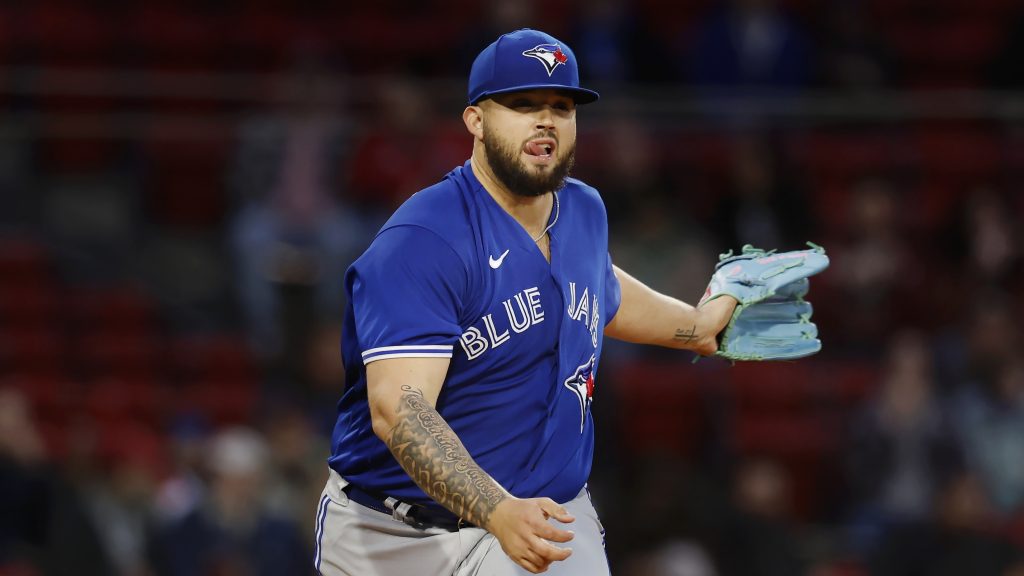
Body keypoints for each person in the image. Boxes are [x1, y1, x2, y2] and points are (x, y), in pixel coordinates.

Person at [315, 29, 739, 575]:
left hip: (543, 517)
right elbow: (400, 412)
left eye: (562, 107)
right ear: (475, 119)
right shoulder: (424, 241)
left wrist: (698, 326)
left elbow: (598, 288)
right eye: (523, 104)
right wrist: (494, 508)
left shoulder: (583, 210)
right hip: (394, 533)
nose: (546, 121)